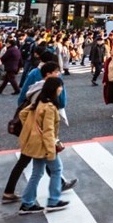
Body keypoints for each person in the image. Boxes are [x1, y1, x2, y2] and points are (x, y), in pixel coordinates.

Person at [15, 77, 69, 214]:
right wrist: (51, 150)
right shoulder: (50, 107)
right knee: (57, 169)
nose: (61, 89)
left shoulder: (39, 102)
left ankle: (27, 203)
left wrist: (32, 129)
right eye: (60, 86)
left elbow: (23, 113)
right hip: (44, 145)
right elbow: (48, 131)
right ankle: (53, 201)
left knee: (37, 173)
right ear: (54, 89)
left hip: (34, 143)